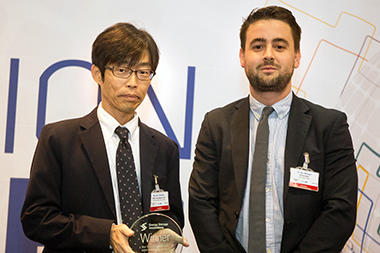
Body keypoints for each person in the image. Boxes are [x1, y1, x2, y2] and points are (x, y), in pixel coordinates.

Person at [189, 6, 357, 253]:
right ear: (242, 56)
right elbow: (201, 203)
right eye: (258, 46)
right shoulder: (216, 124)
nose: (268, 55)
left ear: (297, 57)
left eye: (279, 46)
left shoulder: (329, 126)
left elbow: (340, 209)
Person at [21, 22, 188, 253]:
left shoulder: (164, 147)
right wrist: (105, 233)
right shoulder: (59, 139)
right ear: (97, 73)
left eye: (143, 72)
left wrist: (163, 237)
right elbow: (36, 218)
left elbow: (172, 216)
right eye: (122, 70)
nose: (133, 82)